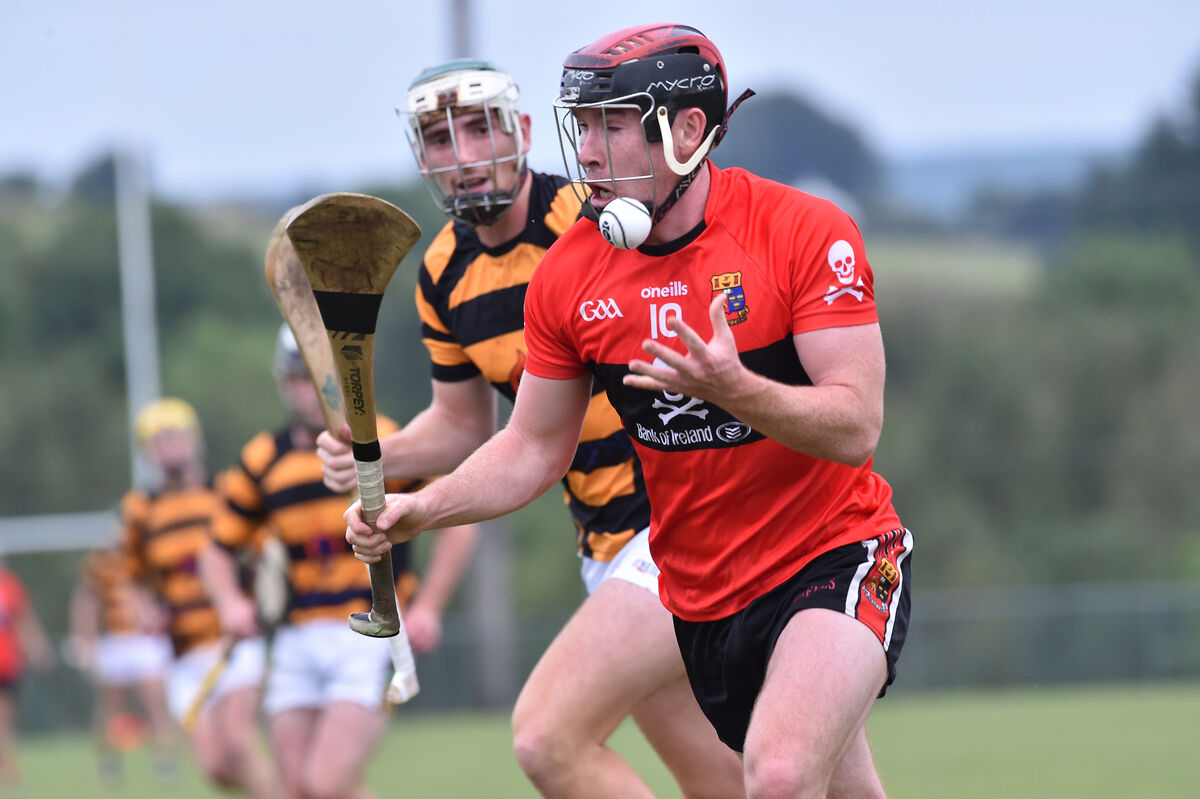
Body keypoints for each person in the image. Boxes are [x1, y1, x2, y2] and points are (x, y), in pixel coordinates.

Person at [345, 24, 914, 799]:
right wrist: (423, 507)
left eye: (613, 123)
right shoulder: (571, 273)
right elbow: (530, 447)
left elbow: (857, 426)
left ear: (687, 130)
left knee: (775, 775)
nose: (589, 150)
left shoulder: (804, 231)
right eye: (582, 126)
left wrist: (737, 388)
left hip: (833, 552)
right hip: (700, 588)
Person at [317, 58, 745, 798]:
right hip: (606, 548)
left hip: (680, 524)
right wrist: (378, 457)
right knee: (724, 783)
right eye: (441, 140)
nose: (464, 155)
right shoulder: (444, 272)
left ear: (520, 131)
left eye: (479, 128)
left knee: (549, 737)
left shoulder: (598, 223)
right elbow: (462, 425)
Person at [205, 324, 477, 799]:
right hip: (294, 639)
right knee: (295, 791)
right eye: (297, 377)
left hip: (368, 633)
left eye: (318, 376)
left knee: (326, 785)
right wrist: (229, 603)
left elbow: (459, 519)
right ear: (282, 382)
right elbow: (216, 547)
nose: (309, 389)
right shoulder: (263, 459)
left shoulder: (387, 441)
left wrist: (429, 605)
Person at [121, 397, 274, 798]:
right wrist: (145, 610)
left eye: (176, 437)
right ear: (147, 452)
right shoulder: (141, 511)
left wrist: (257, 596)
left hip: (234, 639)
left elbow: (261, 555)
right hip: (184, 651)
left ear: (194, 441)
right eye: (160, 441)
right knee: (215, 768)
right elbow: (133, 579)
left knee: (239, 745)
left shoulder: (225, 493)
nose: (170, 447)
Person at [68, 542, 177, 786]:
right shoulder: (101, 561)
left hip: (144, 639)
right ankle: (109, 762)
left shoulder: (148, 555)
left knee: (155, 701)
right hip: (114, 641)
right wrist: (85, 638)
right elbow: (87, 600)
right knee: (110, 707)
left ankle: (164, 761)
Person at [0, 558, 53, 789]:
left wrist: (39, 648)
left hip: (8, 663)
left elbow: (24, 620)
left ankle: (8, 766)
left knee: (5, 720)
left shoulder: (10, 585)